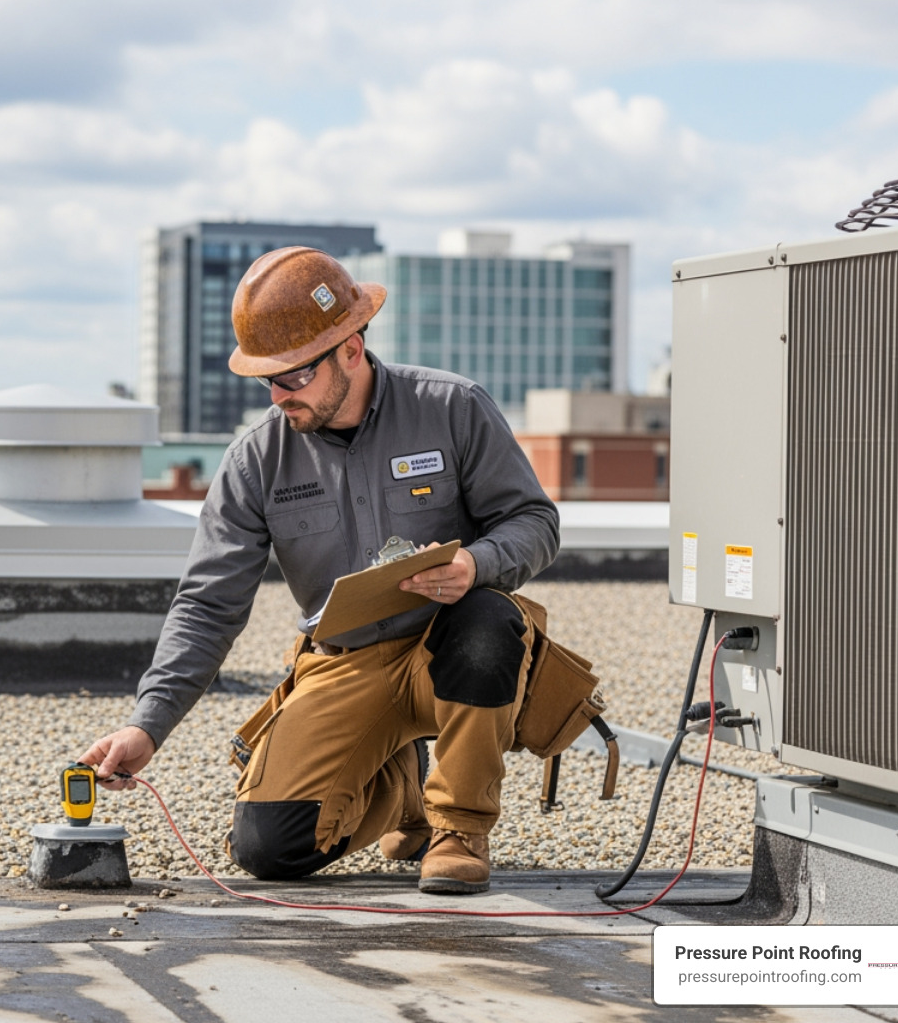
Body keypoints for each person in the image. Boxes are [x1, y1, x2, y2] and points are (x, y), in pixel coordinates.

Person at [80, 246, 559, 893]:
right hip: (344, 660)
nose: (278, 398)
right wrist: (148, 724)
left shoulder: (453, 408)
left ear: (351, 352)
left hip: (453, 645)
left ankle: (459, 829)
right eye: (266, 381)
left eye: (294, 377)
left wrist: (478, 563)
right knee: (269, 849)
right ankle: (403, 790)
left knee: (489, 622)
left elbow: (534, 521)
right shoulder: (255, 462)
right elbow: (207, 604)